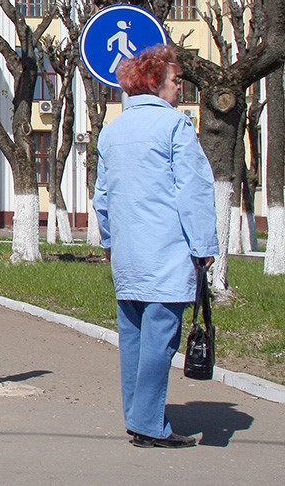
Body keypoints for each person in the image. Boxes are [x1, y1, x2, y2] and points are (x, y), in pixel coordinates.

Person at [93, 44, 219, 449]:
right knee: (160, 339)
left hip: (128, 255)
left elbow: (102, 197)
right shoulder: (174, 128)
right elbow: (193, 192)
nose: (180, 87)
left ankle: (138, 418)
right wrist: (204, 246)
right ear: (155, 81)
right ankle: (149, 425)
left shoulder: (111, 131)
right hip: (166, 252)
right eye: (175, 79)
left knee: (132, 339)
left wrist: (110, 242)